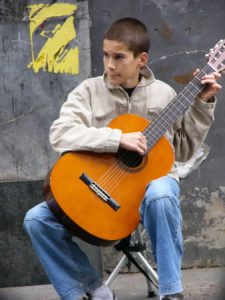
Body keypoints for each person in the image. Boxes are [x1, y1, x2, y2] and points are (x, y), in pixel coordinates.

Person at [24, 18, 222, 300]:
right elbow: (60, 133)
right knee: (36, 219)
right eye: (106, 55)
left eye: (119, 57)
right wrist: (115, 140)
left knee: (162, 192)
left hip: (149, 191)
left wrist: (202, 104)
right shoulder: (88, 92)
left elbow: (184, 150)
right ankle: (91, 289)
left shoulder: (165, 94)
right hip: (98, 190)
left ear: (141, 59)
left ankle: (171, 291)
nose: (110, 65)